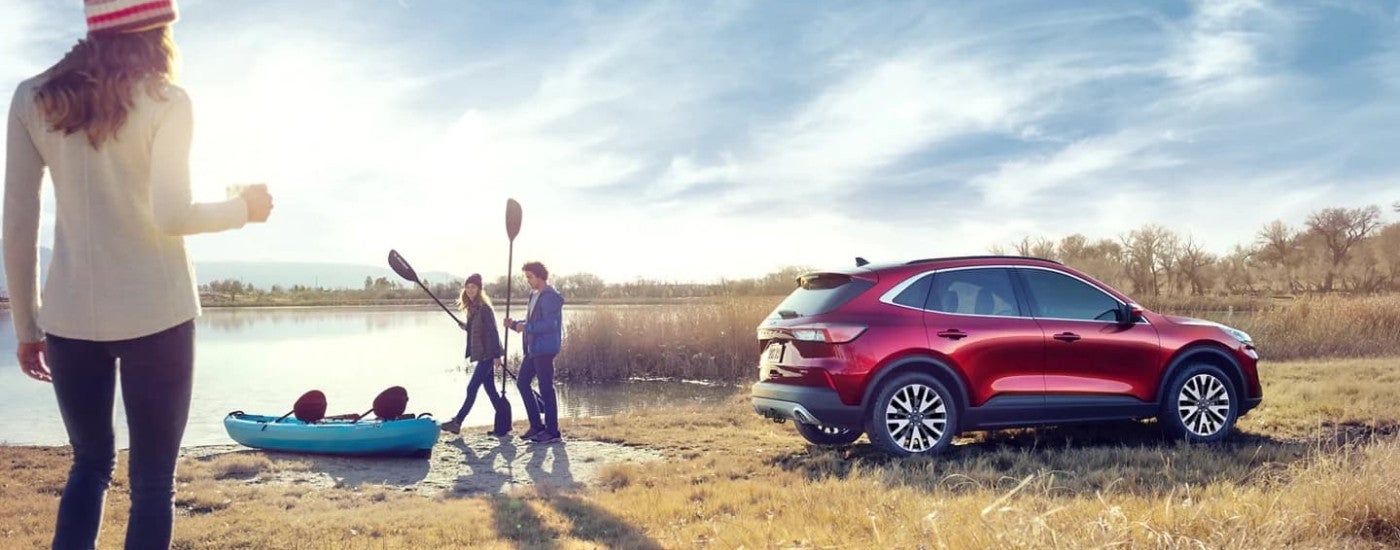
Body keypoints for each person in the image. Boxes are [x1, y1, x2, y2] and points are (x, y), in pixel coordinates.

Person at [4, 2, 274, 548]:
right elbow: (172, 215)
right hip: (161, 314)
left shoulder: (32, 98)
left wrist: (28, 327)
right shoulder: (167, 101)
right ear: (157, 27)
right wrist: (242, 208)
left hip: (70, 318)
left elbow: (19, 222)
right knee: (152, 486)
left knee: (89, 467)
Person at [439, 273, 509, 436]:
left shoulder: (484, 308)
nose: (470, 290)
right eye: (468, 287)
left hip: (488, 355)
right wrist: (467, 327)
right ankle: (504, 425)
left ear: (479, 289)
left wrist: (497, 355)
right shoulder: (473, 308)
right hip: (482, 355)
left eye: (473, 287)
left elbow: (493, 331)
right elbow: (479, 330)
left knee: (472, 388)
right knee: (490, 390)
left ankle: (457, 422)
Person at [503, 261, 564, 443]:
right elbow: (532, 321)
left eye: (530, 276)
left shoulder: (550, 296)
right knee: (522, 384)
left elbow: (549, 324)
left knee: (546, 389)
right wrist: (514, 324)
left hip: (545, 349)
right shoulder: (534, 295)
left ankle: (552, 431)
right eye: (526, 277)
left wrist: (526, 326)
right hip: (533, 349)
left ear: (539, 276)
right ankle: (537, 426)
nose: (528, 280)